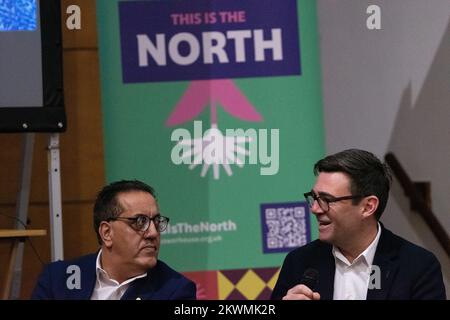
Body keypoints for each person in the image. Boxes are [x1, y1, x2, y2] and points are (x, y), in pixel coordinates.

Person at [271, 149, 446, 300]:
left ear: (368, 206)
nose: (315, 209)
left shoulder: (418, 266)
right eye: (314, 198)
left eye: (326, 200)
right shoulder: (299, 262)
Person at [32, 180, 196, 300]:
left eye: (156, 221)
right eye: (140, 222)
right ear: (107, 233)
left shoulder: (174, 291)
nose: (153, 233)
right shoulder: (57, 279)